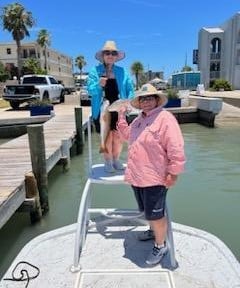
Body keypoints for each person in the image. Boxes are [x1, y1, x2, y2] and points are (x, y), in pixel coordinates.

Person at [117, 83, 186, 266]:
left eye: (150, 97)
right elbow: (128, 136)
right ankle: (152, 231)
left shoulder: (165, 118)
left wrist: (174, 172)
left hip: (155, 177)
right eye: (142, 98)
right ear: (139, 103)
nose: (146, 101)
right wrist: (121, 116)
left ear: (157, 100)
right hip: (137, 176)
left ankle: (160, 245)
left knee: (156, 215)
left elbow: (175, 146)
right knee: (146, 212)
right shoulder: (140, 119)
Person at [87, 40, 134, 173]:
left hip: (120, 109)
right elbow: (90, 90)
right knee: (107, 137)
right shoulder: (95, 71)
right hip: (103, 108)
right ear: (103, 55)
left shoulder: (123, 71)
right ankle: (107, 161)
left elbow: (130, 89)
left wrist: (128, 103)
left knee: (119, 137)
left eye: (113, 53)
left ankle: (116, 159)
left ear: (116, 56)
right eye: (107, 52)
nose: (110, 55)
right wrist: (98, 84)